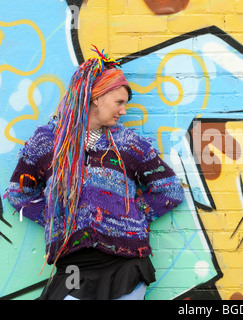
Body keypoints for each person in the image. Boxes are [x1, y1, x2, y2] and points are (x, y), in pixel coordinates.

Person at [5, 47, 185, 300]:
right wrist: (54, 215)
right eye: (119, 102)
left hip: (126, 262)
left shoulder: (128, 144)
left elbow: (170, 190)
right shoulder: (48, 142)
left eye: (125, 104)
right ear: (95, 97)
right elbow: (18, 193)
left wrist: (132, 214)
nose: (123, 110)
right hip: (75, 265)